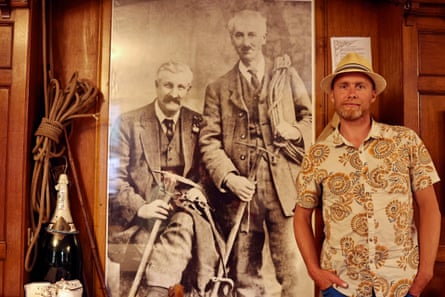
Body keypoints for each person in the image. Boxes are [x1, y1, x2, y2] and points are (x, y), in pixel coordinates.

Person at [293, 52, 441, 297]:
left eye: (360, 86)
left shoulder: (406, 141)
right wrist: (314, 272)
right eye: (343, 86)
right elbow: (301, 217)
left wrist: (425, 273)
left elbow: (429, 208)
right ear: (332, 95)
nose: (351, 93)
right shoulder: (317, 154)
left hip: (401, 283)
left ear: (373, 94)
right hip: (341, 286)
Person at [199, 9, 313, 297]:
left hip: (284, 187)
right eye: (239, 35)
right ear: (232, 39)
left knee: (292, 269)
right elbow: (209, 142)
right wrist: (228, 178)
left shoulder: (286, 76)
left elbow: (311, 120)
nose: (246, 42)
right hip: (241, 191)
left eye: (252, 35)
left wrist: (296, 132)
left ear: (264, 37)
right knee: (244, 273)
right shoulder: (218, 88)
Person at [107, 61, 204, 296]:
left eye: (181, 87)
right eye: (168, 85)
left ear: (188, 89)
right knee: (132, 273)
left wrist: (199, 189)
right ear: (156, 86)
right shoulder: (128, 123)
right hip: (137, 220)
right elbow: (113, 179)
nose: (174, 94)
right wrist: (142, 208)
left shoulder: (199, 124)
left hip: (183, 214)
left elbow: (207, 172)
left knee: (185, 230)